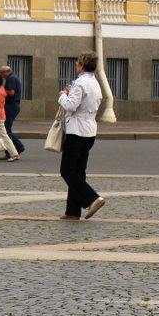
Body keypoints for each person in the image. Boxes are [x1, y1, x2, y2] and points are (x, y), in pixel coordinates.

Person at [58, 51, 106, 221]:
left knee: (67, 170)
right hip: (90, 130)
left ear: (82, 65)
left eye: (78, 62)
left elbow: (71, 105)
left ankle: (92, 198)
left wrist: (63, 96)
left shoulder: (80, 83)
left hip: (76, 130)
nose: (76, 65)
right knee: (78, 171)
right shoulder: (95, 83)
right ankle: (72, 211)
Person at [0, 64, 26, 160]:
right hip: (13, 105)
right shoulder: (13, 77)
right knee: (7, 129)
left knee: (6, 130)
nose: (2, 76)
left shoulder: (11, 78)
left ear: (5, 72)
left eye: (2, 74)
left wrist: (0, 92)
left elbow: (11, 92)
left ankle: (9, 152)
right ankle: (18, 147)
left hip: (11, 105)